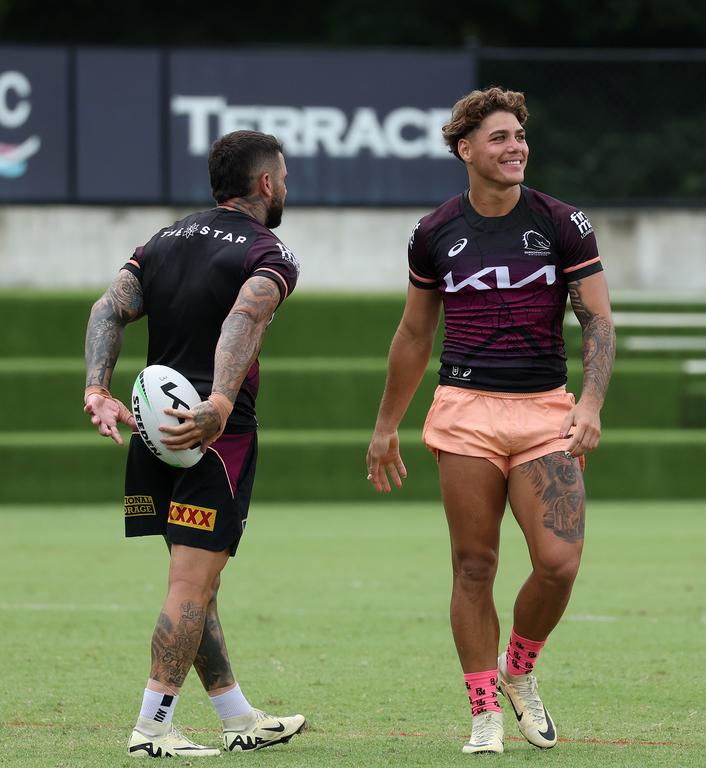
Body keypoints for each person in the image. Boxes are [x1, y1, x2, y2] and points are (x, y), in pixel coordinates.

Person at [366, 87, 615, 754]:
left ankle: (520, 669)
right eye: (500, 139)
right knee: (474, 566)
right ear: (465, 150)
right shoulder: (432, 232)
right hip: (465, 411)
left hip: (544, 413)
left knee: (559, 563)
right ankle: (484, 712)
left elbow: (597, 322)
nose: (516, 149)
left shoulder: (565, 224)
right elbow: (414, 336)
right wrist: (388, 424)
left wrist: (589, 403)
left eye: (520, 138)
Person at [83, 130, 306, 757]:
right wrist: (222, 402)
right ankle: (153, 727)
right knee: (190, 585)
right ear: (265, 184)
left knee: (193, 581)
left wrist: (97, 389)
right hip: (213, 436)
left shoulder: (161, 240)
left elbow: (107, 309)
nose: (286, 186)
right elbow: (246, 317)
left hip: (154, 434)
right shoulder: (269, 250)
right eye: (283, 177)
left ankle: (237, 719)